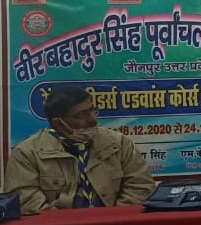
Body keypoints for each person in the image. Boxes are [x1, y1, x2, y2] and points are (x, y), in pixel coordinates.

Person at [3, 87, 154, 215]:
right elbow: (27, 203)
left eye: (92, 110)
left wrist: (112, 220)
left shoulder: (118, 143)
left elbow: (140, 186)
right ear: (58, 123)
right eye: (81, 115)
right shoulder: (26, 153)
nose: (92, 119)